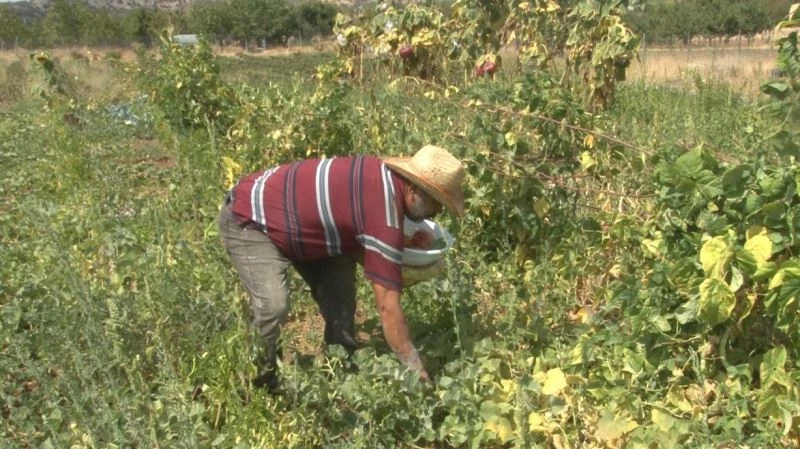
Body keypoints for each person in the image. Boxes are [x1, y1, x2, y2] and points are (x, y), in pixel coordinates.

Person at [218, 145, 465, 393]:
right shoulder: (384, 214)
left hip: (309, 229)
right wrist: (417, 374)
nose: (437, 212)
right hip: (251, 218)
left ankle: (341, 370)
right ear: (413, 189)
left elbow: (359, 231)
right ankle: (259, 385)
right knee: (273, 305)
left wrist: (401, 250)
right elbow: (387, 307)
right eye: (436, 202)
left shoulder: (382, 178)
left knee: (341, 298)